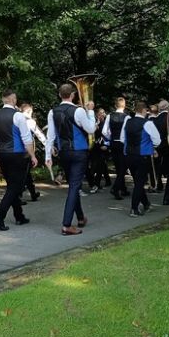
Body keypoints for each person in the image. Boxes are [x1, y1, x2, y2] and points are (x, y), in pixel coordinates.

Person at [46, 83, 97, 235]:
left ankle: (81, 218)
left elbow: (51, 136)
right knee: (75, 187)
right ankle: (66, 225)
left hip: (64, 152)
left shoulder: (52, 112)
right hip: (78, 152)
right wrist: (91, 112)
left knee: (74, 186)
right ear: (73, 95)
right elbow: (91, 129)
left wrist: (48, 156)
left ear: (60, 95)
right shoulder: (79, 111)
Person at [0, 90, 37, 231]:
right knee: (15, 187)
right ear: (13, 99)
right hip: (17, 155)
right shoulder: (18, 116)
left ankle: (19, 216)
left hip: (2, 154)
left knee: (12, 185)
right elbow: (26, 138)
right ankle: (0, 215)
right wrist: (33, 155)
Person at [123, 101, 161, 216]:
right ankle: (134, 209)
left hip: (129, 155)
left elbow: (122, 138)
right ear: (144, 110)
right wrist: (152, 147)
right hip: (142, 155)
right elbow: (157, 140)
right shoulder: (147, 123)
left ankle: (146, 203)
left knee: (137, 181)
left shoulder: (128, 122)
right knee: (139, 183)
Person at [103, 97, 131, 200]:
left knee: (118, 166)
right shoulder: (127, 117)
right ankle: (116, 188)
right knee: (123, 168)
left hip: (113, 143)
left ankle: (122, 189)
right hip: (123, 144)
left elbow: (105, 131)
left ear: (115, 105)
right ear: (124, 105)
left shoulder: (109, 116)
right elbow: (126, 132)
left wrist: (111, 138)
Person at [20, 103, 45, 201]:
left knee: (26, 173)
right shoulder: (30, 121)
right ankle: (19, 196)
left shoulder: (15, 119)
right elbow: (39, 134)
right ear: (28, 111)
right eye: (31, 112)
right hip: (26, 150)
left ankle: (33, 193)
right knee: (24, 173)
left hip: (15, 150)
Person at [87, 108, 111, 193]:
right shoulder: (94, 123)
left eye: (103, 113)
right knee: (97, 166)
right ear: (97, 115)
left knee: (99, 166)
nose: (102, 115)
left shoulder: (107, 124)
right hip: (94, 147)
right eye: (100, 113)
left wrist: (107, 146)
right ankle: (106, 181)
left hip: (102, 148)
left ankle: (96, 184)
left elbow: (109, 135)